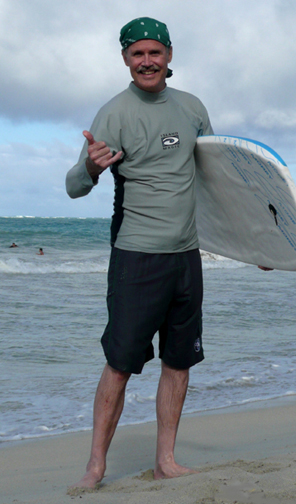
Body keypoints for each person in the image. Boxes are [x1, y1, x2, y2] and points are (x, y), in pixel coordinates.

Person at [65, 17, 214, 489]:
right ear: (126, 59)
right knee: (121, 363)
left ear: (169, 55)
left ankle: (165, 460)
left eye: (154, 52)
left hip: (186, 257)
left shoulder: (192, 109)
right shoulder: (115, 113)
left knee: (179, 361)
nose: (146, 61)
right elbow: (73, 186)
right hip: (137, 255)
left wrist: (256, 243)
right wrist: (89, 165)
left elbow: (218, 182)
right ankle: (95, 467)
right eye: (137, 54)